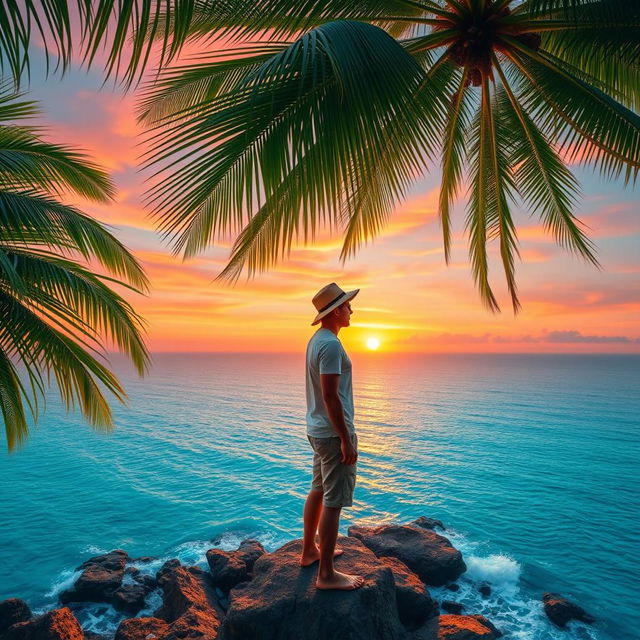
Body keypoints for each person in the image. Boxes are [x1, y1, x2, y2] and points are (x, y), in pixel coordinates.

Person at [300, 282, 364, 590]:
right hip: (331, 434)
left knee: (317, 490)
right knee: (334, 501)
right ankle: (326, 574)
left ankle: (309, 550)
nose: (352, 310)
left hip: (318, 430)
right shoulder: (332, 345)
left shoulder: (317, 340)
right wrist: (346, 438)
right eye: (348, 305)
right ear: (336, 310)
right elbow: (331, 396)